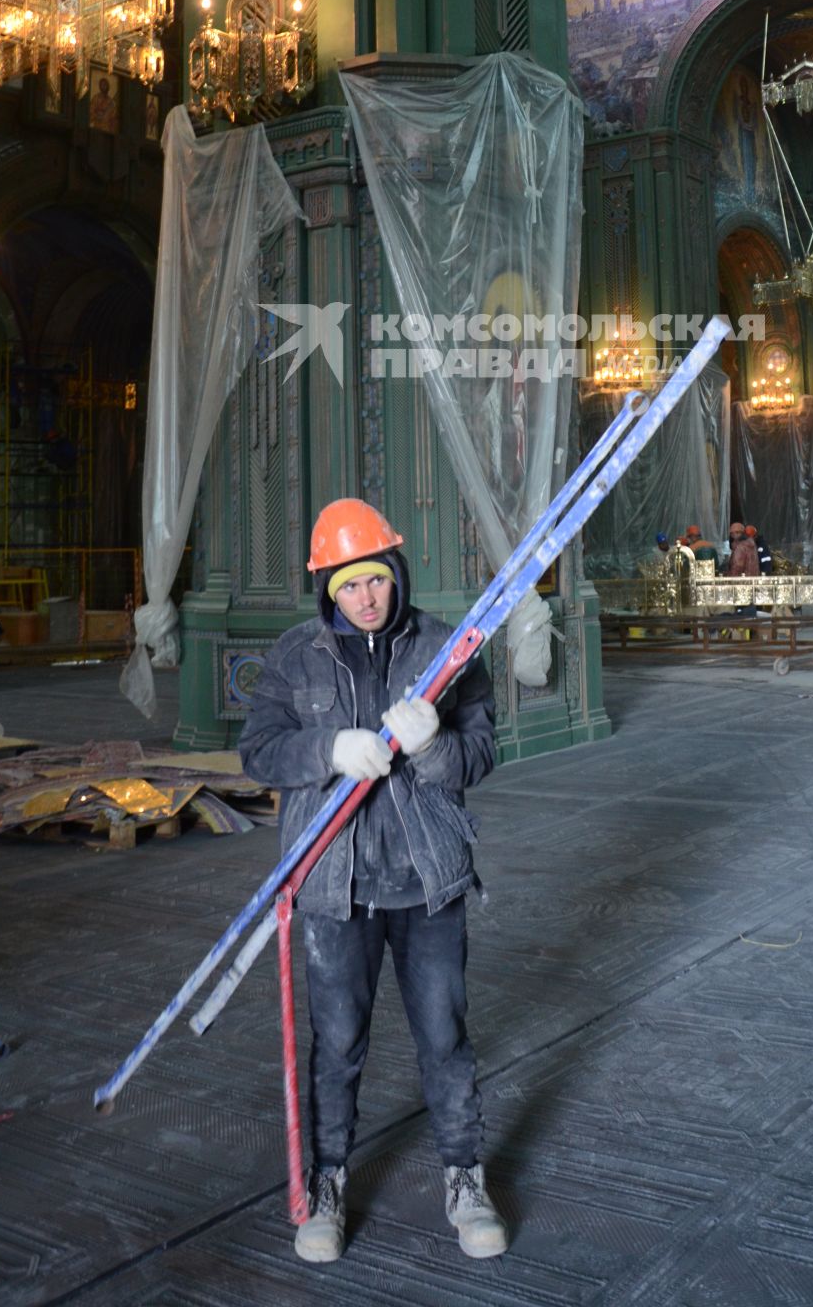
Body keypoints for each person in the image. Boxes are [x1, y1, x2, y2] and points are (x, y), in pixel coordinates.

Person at [237, 498, 507, 1265]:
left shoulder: (445, 650)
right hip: (334, 886)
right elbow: (258, 752)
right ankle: (323, 1184)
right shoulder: (296, 656)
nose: (366, 598)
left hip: (427, 884)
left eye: (377, 581)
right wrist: (330, 748)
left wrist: (433, 747)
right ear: (328, 590)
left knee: (444, 1039)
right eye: (349, 586)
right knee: (339, 1044)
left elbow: (481, 754)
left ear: (396, 574)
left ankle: (465, 1177)